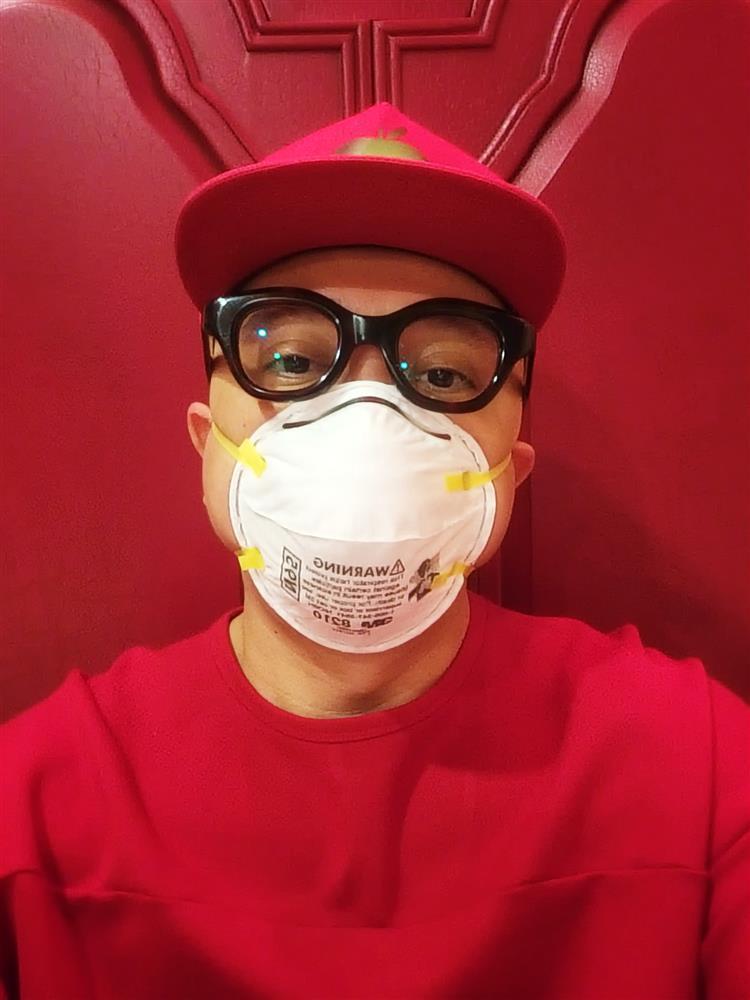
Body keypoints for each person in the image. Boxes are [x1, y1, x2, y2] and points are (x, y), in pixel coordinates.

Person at [1, 103, 748, 1000]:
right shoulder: (38, 810)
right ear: (208, 446)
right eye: (289, 359)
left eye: (441, 373)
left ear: (511, 471)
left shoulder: (695, 772)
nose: (367, 414)